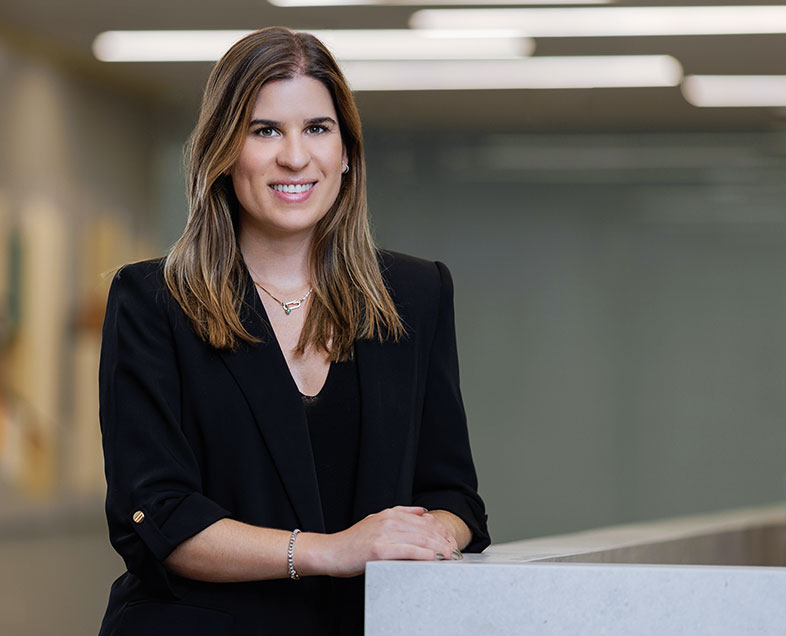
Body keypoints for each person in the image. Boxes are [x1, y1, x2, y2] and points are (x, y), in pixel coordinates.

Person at [98, 26, 489, 636]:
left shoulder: (415, 294)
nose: (295, 157)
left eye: (317, 128)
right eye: (265, 131)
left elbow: (455, 496)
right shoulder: (154, 301)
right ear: (224, 152)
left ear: (347, 151)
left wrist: (429, 531)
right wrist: (333, 551)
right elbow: (159, 517)